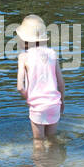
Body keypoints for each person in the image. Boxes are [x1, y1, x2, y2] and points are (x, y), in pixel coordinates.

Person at [16, 14, 65, 146]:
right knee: (52, 140)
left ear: (23, 39)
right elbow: (61, 83)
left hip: (38, 106)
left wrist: (28, 98)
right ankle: (56, 166)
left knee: (38, 143)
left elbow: (20, 87)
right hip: (54, 103)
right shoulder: (52, 54)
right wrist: (62, 101)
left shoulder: (23, 57)